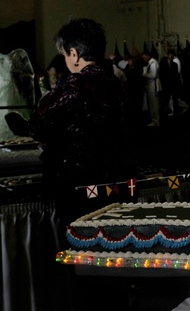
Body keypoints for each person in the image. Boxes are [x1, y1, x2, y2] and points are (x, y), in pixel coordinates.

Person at [26, 18, 130, 223]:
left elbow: (38, 126)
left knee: (79, 246)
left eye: (64, 54)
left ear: (74, 54)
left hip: (78, 185)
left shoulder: (74, 84)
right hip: (117, 181)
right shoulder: (116, 83)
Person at [141, 51, 161, 126]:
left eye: (144, 57)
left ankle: (155, 120)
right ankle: (154, 119)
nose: (144, 59)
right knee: (152, 103)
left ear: (148, 56)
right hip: (151, 85)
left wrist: (144, 74)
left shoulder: (153, 63)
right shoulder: (151, 63)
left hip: (153, 85)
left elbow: (153, 75)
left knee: (154, 104)